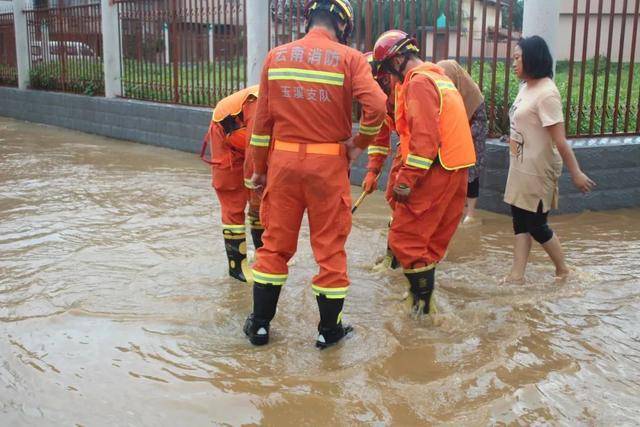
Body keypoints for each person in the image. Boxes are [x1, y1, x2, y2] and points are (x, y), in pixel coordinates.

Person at [243, 0, 387, 348]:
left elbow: (261, 126)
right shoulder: (350, 59)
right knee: (330, 251)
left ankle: (260, 327)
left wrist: (258, 171)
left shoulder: (275, 57)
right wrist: (359, 143)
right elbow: (378, 107)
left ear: (309, 20)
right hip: (328, 166)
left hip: (283, 164)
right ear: (343, 27)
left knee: (273, 247)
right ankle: (328, 332)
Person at [373, 30, 476, 315]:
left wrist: (405, 180)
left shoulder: (417, 83)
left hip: (435, 170)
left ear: (399, 60)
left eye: (387, 70)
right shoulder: (439, 77)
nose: (389, 79)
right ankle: (419, 298)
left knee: (405, 237)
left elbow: (424, 140)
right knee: (428, 242)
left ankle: (423, 308)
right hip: (455, 169)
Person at [503, 36, 595, 283]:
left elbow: (560, 140)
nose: (513, 63)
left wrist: (576, 173)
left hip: (538, 169)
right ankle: (516, 275)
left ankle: (563, 269)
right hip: (520, 166)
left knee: (536, 224)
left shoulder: (547, 93)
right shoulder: (526, 86)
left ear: (532, 58)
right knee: (520, 221)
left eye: (517, 57)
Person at [201, 85, 263, 283]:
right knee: (233, 197)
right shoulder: (260, 102)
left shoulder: (295, 101)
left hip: (251, 137)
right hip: (227, 132)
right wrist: (255, 181)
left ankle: (264, 257)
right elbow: (255, 146)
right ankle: (237, 267)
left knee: (261, 202)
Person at [360, 51, 401, 271]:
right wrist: (372, 172)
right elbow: (378, 138)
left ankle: (401, 257)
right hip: (410, 148)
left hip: (431, 152)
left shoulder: (408, 88)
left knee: (405, 199)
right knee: (395, 197)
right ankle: (394, 256)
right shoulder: (378, 101)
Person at [437, 60, 487, 225]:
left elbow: (478, 125)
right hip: (456, 136)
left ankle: (470, 214)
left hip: (472, 135)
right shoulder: (449, 94)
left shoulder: (473, 97)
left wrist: (462, 134)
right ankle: (459, 209)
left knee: (471, 170)